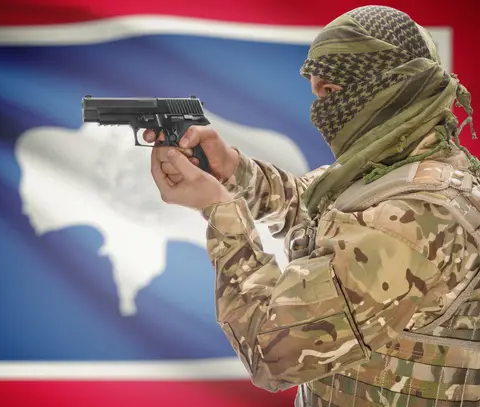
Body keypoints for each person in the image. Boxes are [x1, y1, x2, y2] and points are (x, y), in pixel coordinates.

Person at [144, 5, 480, 407]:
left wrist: (220, 210)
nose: (319, 109)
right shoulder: (395, 171)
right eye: (316, 92)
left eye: (331, 92)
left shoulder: (413, 218)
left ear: (389, 85)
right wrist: (231, 169)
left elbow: (273, 355)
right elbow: (310, 207)